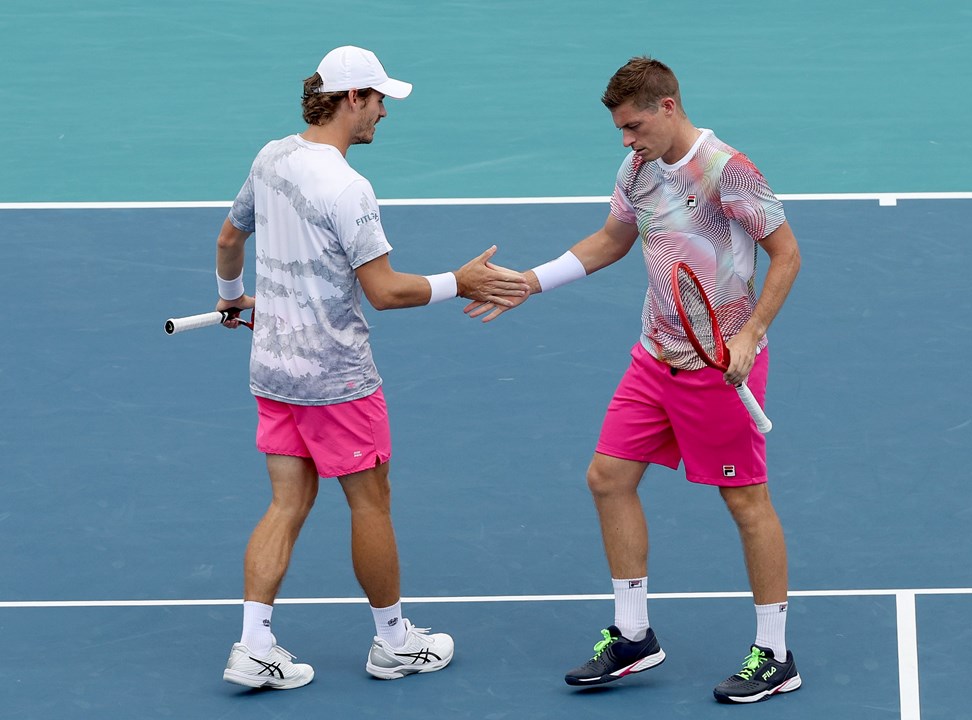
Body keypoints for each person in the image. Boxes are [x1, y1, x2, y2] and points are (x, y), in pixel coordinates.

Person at [466, 56, 802, 704]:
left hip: (718, 367)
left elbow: (786, 254)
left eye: (633, 125)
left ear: (668, 107)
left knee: (746, 503)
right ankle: (634, 634)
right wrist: (530, 282)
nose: (626, 139)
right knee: (608, 477)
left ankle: (776, 653)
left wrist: (750, 333)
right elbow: (610, 241)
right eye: (620, 129)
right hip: (654, 358)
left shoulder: (730, 171)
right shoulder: (638, 170)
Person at [214, 45, 529, 690]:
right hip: (336, 381)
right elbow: (384, 291)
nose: (384, 111)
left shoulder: (270, 157)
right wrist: (459, 282)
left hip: (274, 371)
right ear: (351, 98)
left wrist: (229, 298)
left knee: (286, 501)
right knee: (371, 504)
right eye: (379, 98)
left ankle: (253, 644)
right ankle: (392, 642)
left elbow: (229, 239)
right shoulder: (348, 187)